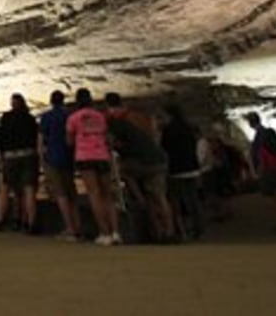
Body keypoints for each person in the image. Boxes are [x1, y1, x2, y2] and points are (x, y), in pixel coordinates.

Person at [107, 95, 174, 243]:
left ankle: (141, 203)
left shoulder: (117, 125)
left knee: (127, 174)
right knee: (159, 197)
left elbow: (112, 145)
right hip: (157, 160)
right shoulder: (138, 120)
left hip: (142, 163)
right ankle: (168, 232)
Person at [67, 88, 120, 246]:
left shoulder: (74, 118)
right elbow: (106, 135)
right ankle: (115, 232)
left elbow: (69, 141)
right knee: (107, 195)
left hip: (85, 156)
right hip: (102, 155)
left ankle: (104, 232)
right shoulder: (100, 116)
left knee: (94, 194)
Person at [38, 90, 80, 241]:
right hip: (69, 155)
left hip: (53, 156)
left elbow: (41, 139)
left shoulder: (47, 116)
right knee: (71, 191)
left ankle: (69, 228)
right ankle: (78, 226)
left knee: (60, 193)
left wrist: (41, 160)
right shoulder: (70, 115)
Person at [0, 93, 39, 233]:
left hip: (10, 156)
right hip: (28, 154)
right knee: (29, 189)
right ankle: (31, 223)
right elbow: (35, 137)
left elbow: (1, 137)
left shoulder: (6, 118)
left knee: (5, 188)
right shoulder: (30, 118)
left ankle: (0, 219)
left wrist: (2, 155)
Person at [161, 104, 205, 240]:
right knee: (193, 199)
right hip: (192, 167)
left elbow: (164, 149)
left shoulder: (168, 130)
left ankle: (180, 229)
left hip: (177, 169)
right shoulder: (188, 128)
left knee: (177, 201)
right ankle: (198, 227)